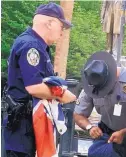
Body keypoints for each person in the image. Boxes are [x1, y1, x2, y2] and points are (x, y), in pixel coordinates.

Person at [3, 2, 76, 157]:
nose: (62, 32)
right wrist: (63, 94)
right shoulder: (31, 46)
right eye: (61, 26)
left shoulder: (37, 45)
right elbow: (34, 87)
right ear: (50, 23)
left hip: (28, 126)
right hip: (23, 127)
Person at [74, 51, 126, 157]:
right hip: (107, 133)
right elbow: (78, 114)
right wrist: (90, 127)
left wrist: (124, 132)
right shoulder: (92, 83)